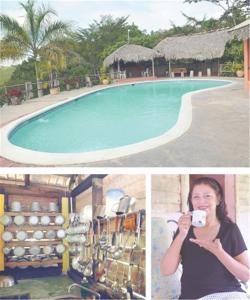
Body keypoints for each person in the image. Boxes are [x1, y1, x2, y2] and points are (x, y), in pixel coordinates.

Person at [161, 177, 250, 300]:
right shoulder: (184, 230)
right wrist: (181, 234)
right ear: (191, 201)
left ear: (218, 199)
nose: (201, 201)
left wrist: (219, 252)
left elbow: (246, 275)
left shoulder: (230, 229)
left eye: (207, 196)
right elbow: (166, 270)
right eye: (196, 197)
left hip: (229, 294)